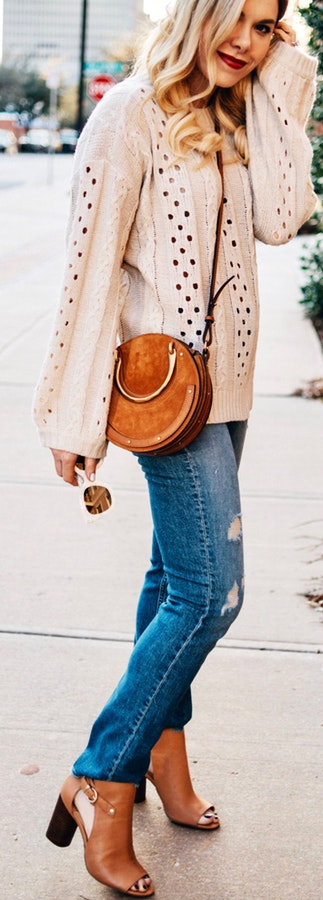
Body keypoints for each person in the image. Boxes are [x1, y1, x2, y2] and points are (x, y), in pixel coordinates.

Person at [33, 0, 317, 895]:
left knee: (169, 578)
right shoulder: (129, 115)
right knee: (210, 594)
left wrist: (286, 79)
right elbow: (87, 271)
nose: (245, 39)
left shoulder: (241, 111)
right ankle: (102, 776)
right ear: (195, 14)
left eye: (266, 26)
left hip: (227, 381)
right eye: (234, 18)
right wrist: (73, 417)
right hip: (162, 389)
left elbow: (283, 218)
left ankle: (163, 751)